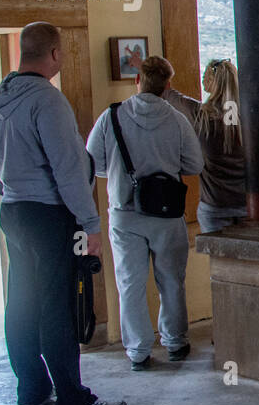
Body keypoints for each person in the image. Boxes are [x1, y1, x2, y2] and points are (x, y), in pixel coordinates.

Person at [0, 22, 126, 405]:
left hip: (13, 211)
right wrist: (91, 224)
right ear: (54, 55)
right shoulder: (47, 101)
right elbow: (67, 169)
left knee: (22, 303)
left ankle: (31, 390)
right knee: (58, 306)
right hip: (49, 214)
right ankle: (71, 401)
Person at [86, 55, 203, 371]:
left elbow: (92, 163)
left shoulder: (111, 118)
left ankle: (138, 350)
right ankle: (175, 342)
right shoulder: (177, 120)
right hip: (167, 214)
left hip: (125, 213)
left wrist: (117, 174)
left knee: (130, 283)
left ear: (137, 81)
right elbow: (195, 165)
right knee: (171, 280)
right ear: (167, 86)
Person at [162, 58, 247, 233]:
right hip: (247, 204)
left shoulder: (200, 115)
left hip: (215, 204)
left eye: (204, 76)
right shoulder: (248, 118)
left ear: (211, 82)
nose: (202, 80)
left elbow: (170, 94)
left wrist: (141, 66)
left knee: (218, 260)